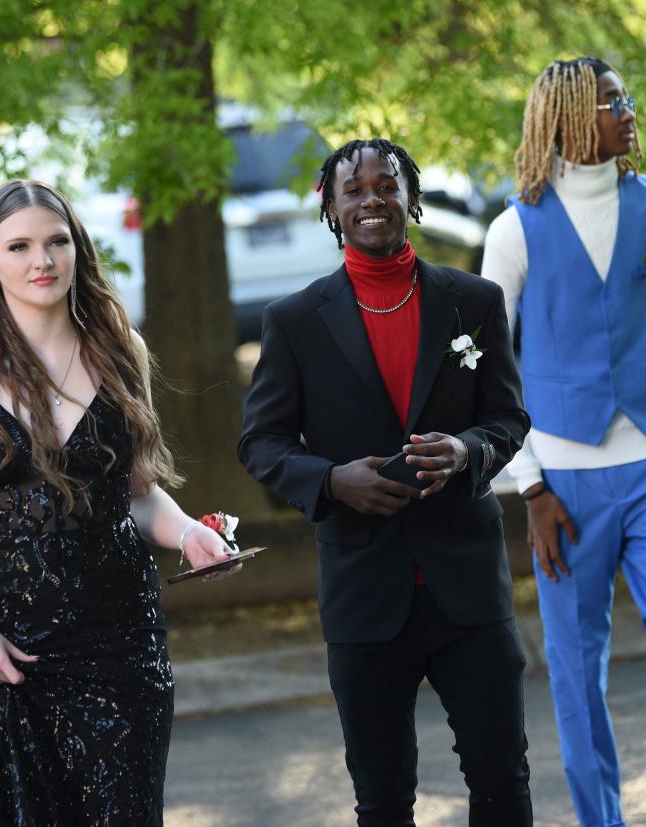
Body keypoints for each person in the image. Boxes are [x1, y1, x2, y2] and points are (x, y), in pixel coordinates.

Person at [0, 179, 238, 825]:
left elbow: (136, 495)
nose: (42, 260)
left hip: (119, 643)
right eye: (20, 245)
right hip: (4, 647)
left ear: (78, 248)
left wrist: (191, 531)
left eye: (57, 241)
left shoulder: (119, 348)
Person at [238, 138, 533, 826]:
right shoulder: (293, 321)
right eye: (354, 190)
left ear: (411, 197)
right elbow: (261, 443)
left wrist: (465, 451)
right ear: (332, 209)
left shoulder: (475, 302)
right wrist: (333, 480)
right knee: (382, 795)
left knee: (500, 776)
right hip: (363, 590)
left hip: (467, 585)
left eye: (386, 185)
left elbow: (509, 417)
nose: (371, 199)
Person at [481, 56, 646, 827]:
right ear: (570, 118)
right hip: (563, 485)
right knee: (577, 674)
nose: (627, 110)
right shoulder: (513, 230)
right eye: (611, 102)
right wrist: (531, 487)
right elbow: (492, 376)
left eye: (625, 98)